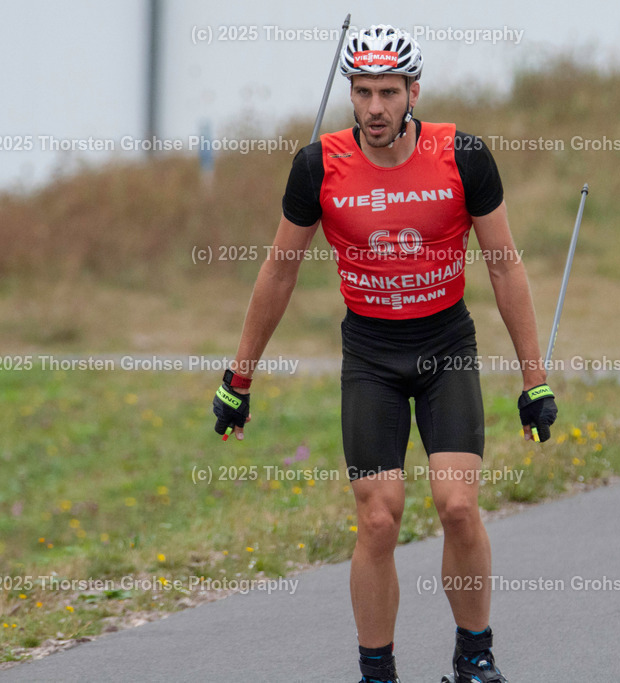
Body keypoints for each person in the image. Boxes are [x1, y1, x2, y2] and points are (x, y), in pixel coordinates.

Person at [212, 24, 557, 683]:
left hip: (446, 346)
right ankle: (377, 670)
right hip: (370, 353)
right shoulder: (320, 164)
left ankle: (474, 655)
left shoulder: (464, 155)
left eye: (388, 93)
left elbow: (505, 267)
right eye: (363, 91)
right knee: (378, 516)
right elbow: (280, 270)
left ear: (413, 92)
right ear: (351, 91)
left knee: (457, 505)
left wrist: (534, 380)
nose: (374, 107)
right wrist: (240, 376)